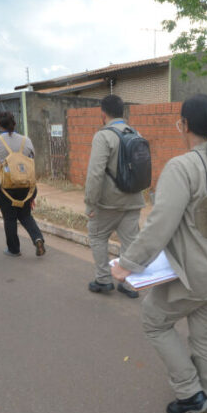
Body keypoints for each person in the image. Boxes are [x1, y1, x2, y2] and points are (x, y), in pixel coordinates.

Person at [111, 94, 207, 413]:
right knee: (204, 333)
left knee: (154, 321)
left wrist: (127, 264)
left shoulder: (181, 167)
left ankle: (190, 392)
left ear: (183, 125)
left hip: (192, 278)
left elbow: (159, 226)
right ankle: (206, 397)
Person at [84, 95, 144, 299]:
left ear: (103, 113)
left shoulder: (103, 136)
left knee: (97, 236)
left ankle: (103, 279)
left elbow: (95, 173)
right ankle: (128, 284)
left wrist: (90, 203)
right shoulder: (136, 133)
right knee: (130, 242)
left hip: (109, 202)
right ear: (123, 112)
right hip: (134, 199)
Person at [0, 111, 46, 257]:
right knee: (25, 215)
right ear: (14, 123)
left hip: (3, 185)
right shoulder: (27, 140)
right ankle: (38, 238)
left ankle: (14, 249)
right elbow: (31, 158)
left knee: (9, 217)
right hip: (26, 184)